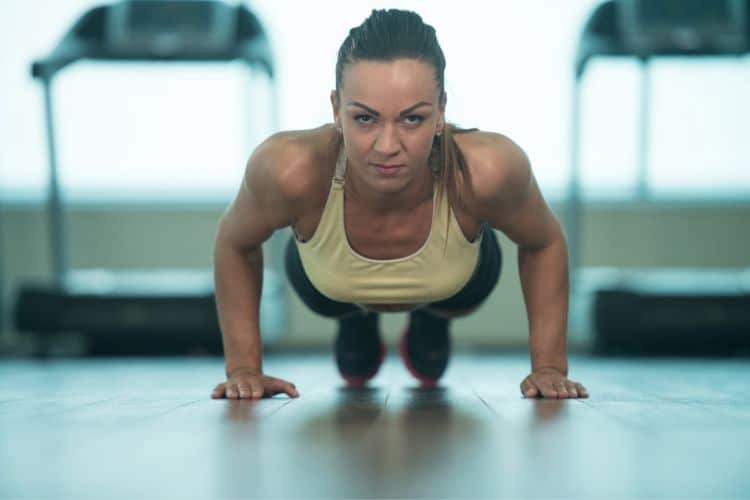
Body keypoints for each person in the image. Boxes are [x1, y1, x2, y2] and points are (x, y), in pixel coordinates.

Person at [211, 9, 588, 400]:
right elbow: (234, 242)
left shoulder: (488, 170)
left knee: (432, 347)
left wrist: (549, 368)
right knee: (349, 340)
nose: (387, 146)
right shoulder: (288, 169)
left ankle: (432, 319)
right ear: (336, 109)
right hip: (330, 288)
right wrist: (244, 369)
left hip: (453, 288)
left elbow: (544, 241)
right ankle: (356, 319)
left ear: (441, 111)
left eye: (411, 119)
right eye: (364, 119)